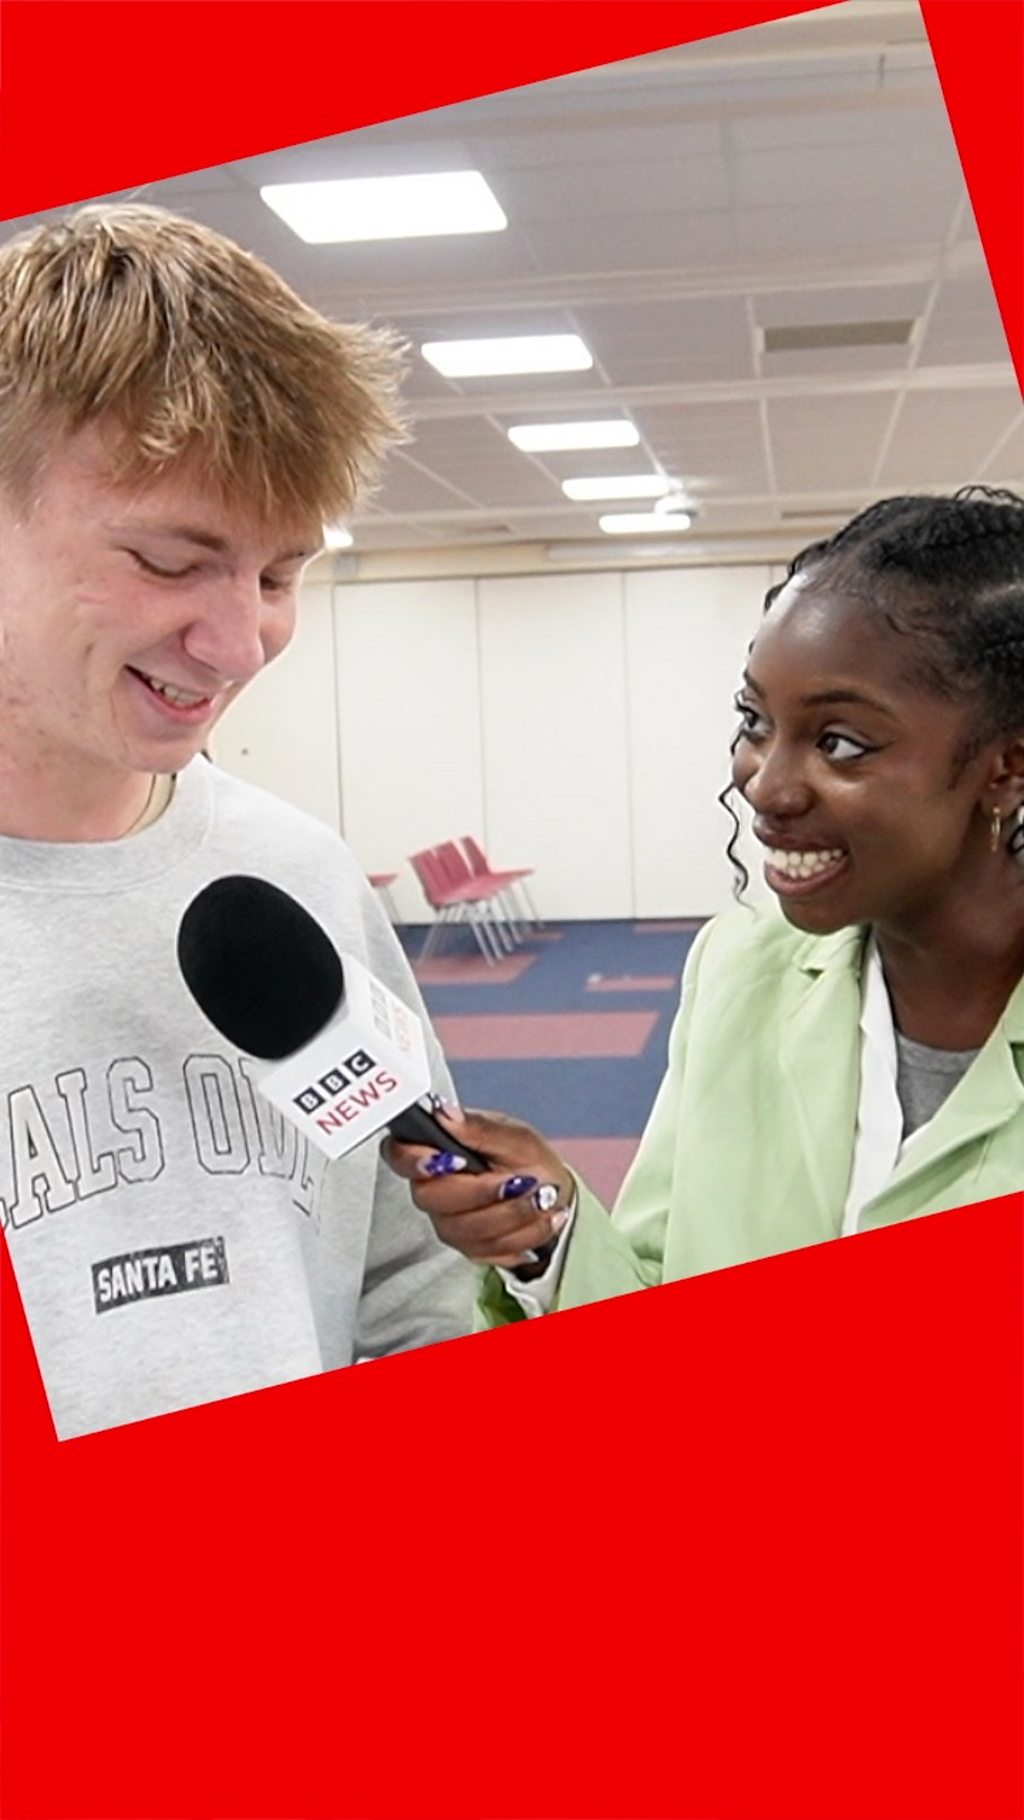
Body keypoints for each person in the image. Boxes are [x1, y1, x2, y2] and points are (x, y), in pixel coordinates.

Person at [0, 204, 475, 1439]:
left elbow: (411, 1261)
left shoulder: (298, 874)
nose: (239, 641)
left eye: (278, 574)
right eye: (170, 560)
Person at [384, 489, 1024, 1321]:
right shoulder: (739, 967)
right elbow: (660, 1271)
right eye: (755, 721)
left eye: (840, 742)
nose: (766, 781)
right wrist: (554, 1234)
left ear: (1007, 767)